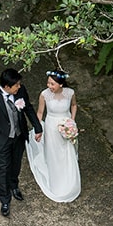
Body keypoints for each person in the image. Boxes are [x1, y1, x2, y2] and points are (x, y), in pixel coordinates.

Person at [0, 68, 42, 216]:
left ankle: (14, 186)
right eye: (16, 85)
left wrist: (37, 127)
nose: (19, 87)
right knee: (3, 168)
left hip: (18, 135)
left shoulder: (20, 92)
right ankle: (4, 200)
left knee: (16, 164)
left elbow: (28, 108)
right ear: (7, 86)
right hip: (2, 139)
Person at [26, 70, 81, 203]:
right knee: (53, 154)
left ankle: (70, 181)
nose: (49, 86)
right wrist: (38, 129)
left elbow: (74, 105)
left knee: (68, 152)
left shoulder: (70, 93)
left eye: (52, 83)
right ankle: (56, 181)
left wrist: (71, 121)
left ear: (61, 84)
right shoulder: (44, 95)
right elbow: (40, 112)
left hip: (66, 125)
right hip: (51, 127)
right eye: (48, 83)